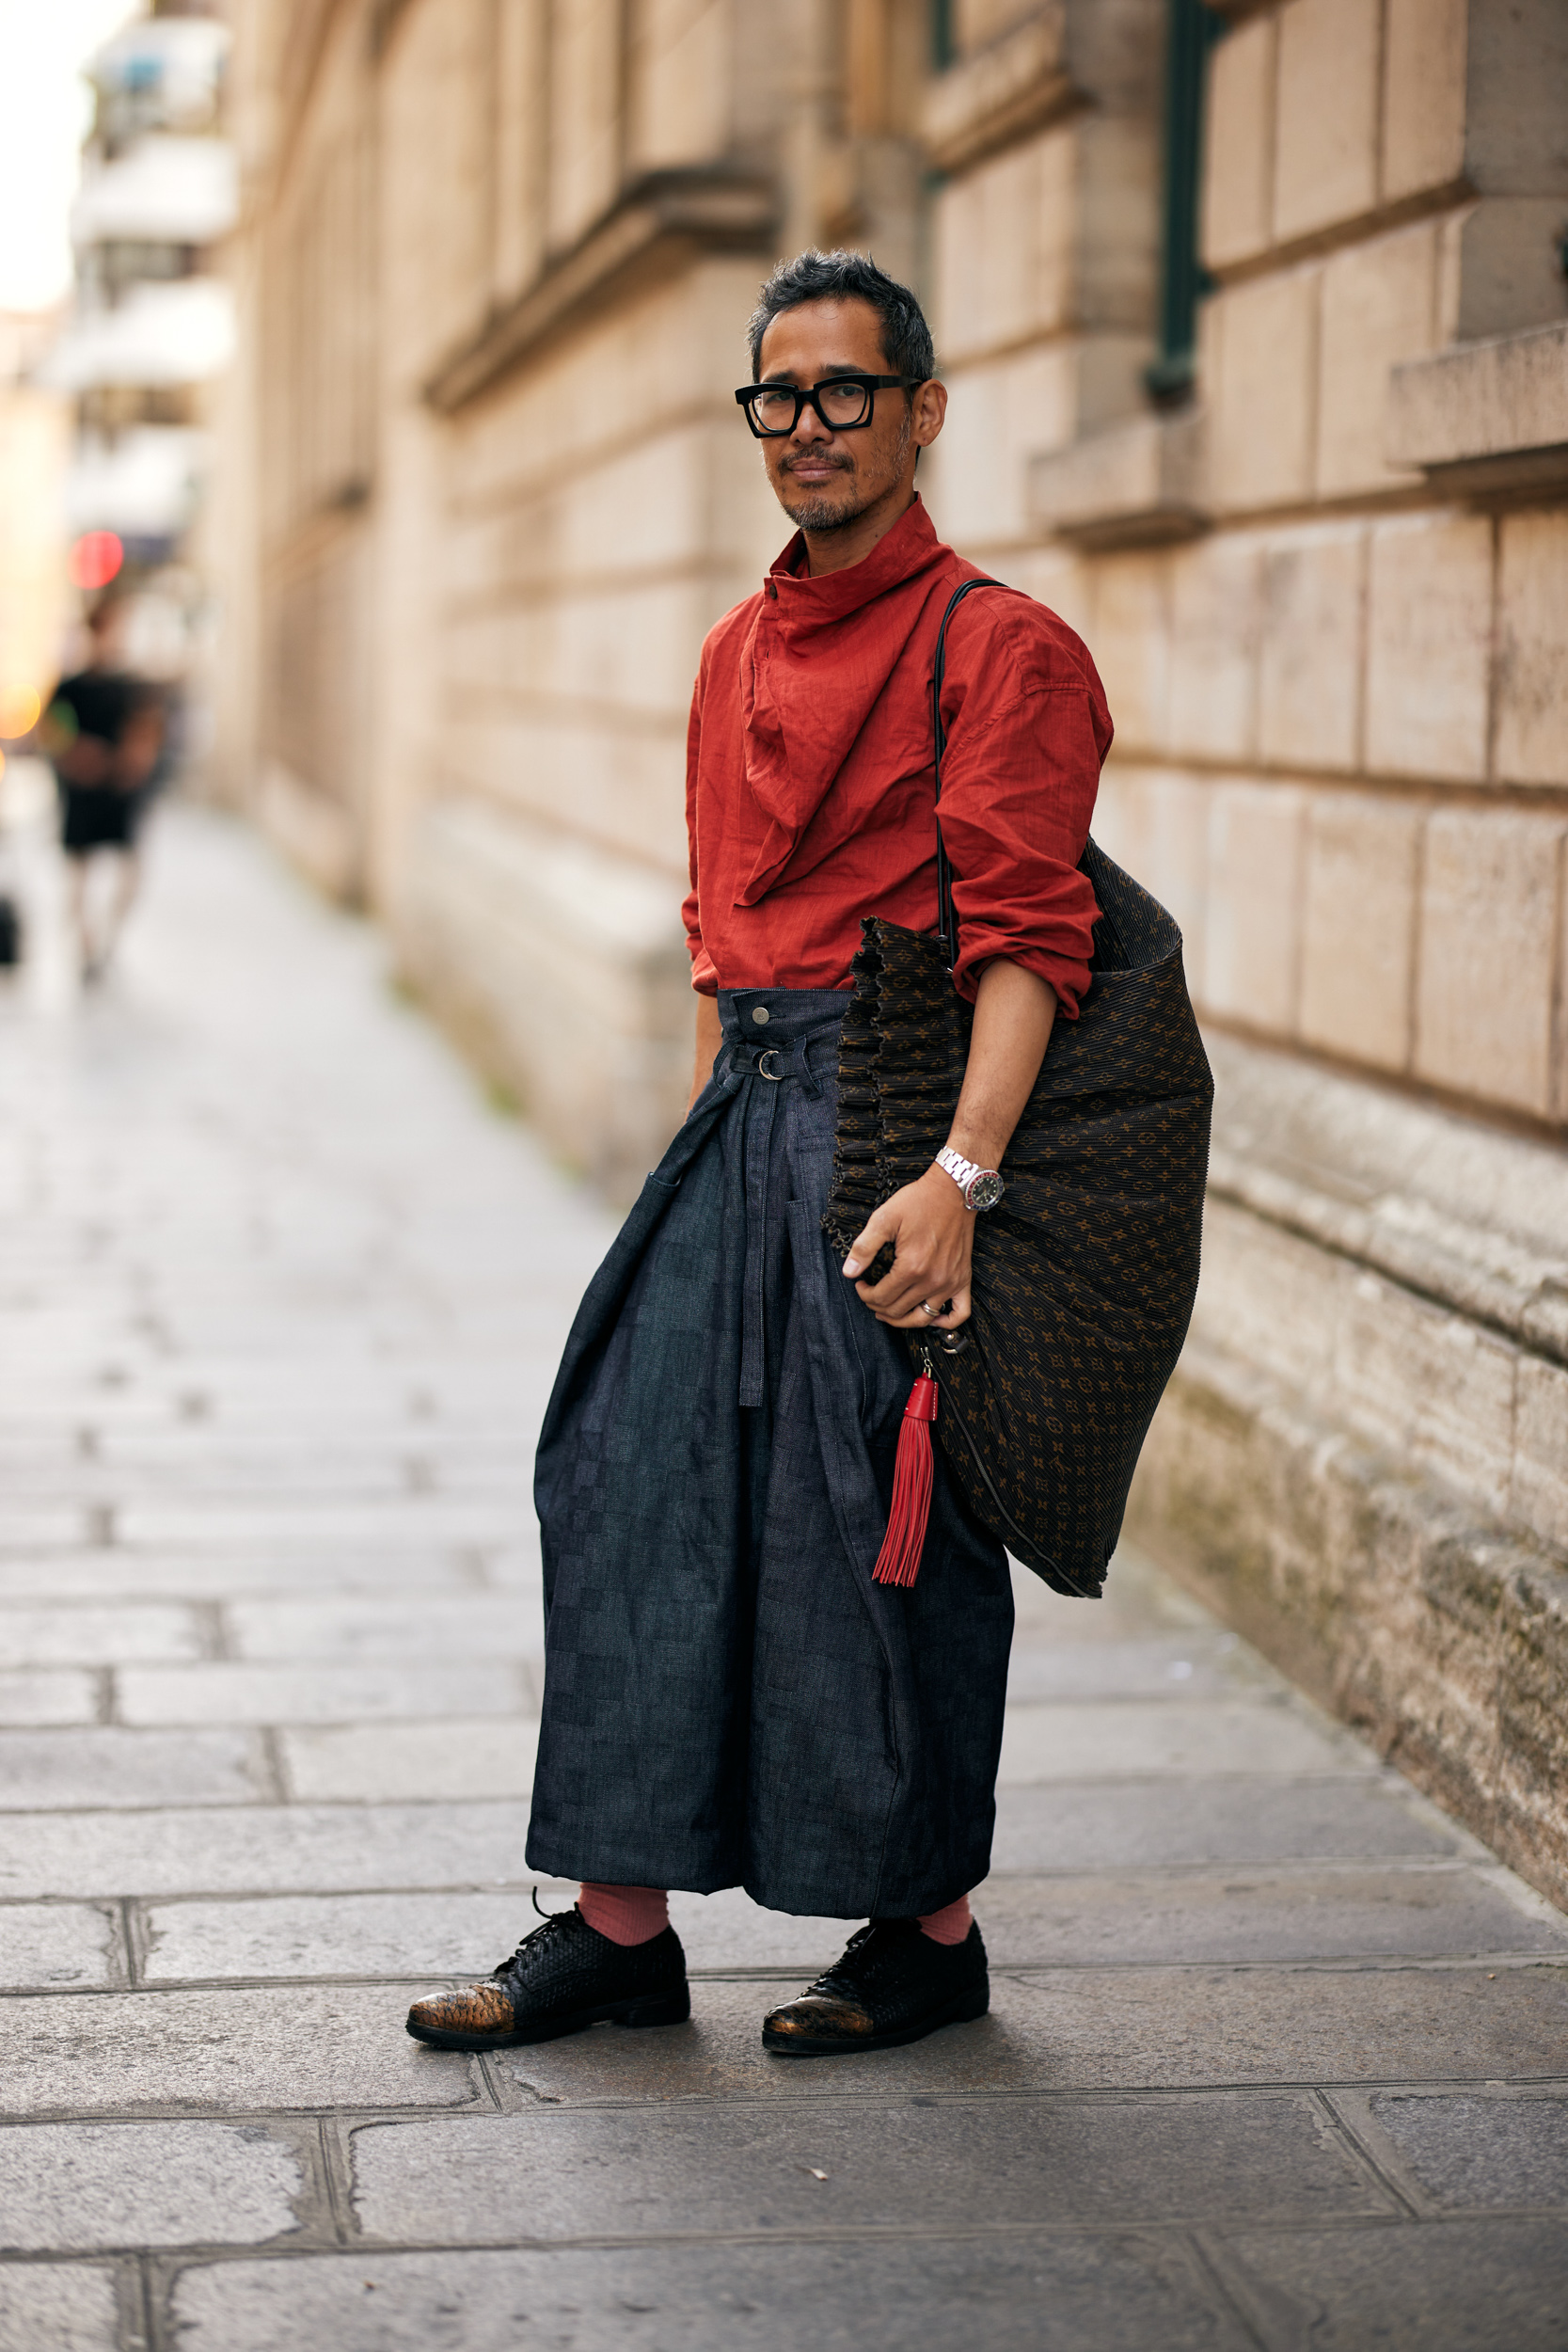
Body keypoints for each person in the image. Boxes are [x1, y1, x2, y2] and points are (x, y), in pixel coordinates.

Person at [406, 250, 1112, 2058]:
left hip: (897, 1124)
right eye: (778, 397)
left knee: (869, 1518)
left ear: (920, 410)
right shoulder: (732, 650)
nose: (807, 427)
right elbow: (726, 938)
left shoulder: (1000, 647)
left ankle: (926, 1931)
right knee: (623, 1468)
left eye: (845, 393)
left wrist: (958, 1183)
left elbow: (1030, 938)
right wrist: (706, 1157)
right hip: (740, 1116)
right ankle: (621, 1930)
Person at [42, 597, 164, 984]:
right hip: (83, 791)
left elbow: (148, 728)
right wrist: (78, 753)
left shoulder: (130, 685)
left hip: (117, 791)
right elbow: (52, 730)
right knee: (78, 877)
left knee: (130, 875)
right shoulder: (71, 685)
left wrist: (136, 757)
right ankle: (86, 949)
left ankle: (106, 945)